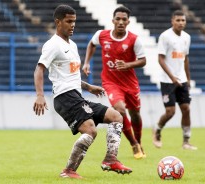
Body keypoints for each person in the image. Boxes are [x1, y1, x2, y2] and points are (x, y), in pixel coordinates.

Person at [33, 4, 132, 179]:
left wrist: (88, 87)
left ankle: (111, 159)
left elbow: (70, 76)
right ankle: (68, 171)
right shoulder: (52, 45)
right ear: (58, 22)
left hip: (76, 95)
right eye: (68, 21)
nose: (72, 25)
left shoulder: (72, 46)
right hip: (64, 97)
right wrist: (40, 95)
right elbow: (39, 69)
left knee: (116, 117)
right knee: (90, 130)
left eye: (74, 21)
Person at [82, 6, 146, 159]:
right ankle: (133, 144)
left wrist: (127, 65)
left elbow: (143, 61)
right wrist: (86, 62)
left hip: (130, 83)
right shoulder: (102, 35)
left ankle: (139, 141)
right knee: (120, 110)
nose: (121, 22)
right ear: (113, 20)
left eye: (124, 19)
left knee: (135, 114)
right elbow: (92, 44)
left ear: (128, 22)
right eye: (118, 19)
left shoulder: (134, 39)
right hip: (111, 82)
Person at [152, 10, 197, 150]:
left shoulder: (187, 37)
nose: (181, 23)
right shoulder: (165, 36)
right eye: (178, 20)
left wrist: (187, 79)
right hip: (167, 81)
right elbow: (160, 59)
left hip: (182, 80)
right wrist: (172, 78)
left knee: (186, 108)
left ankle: (186, 141)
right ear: (172, 21)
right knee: (170, 112)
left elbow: (185, 59)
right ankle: (157, 131)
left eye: (183, 20)